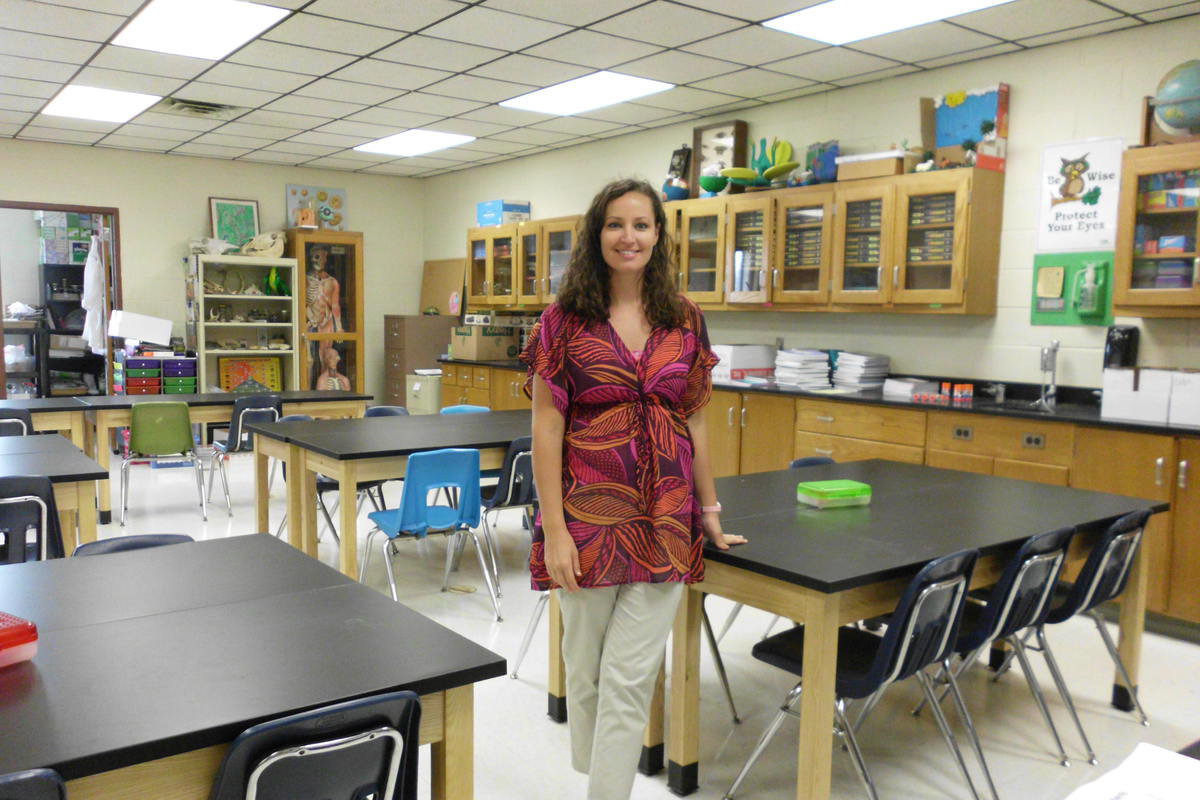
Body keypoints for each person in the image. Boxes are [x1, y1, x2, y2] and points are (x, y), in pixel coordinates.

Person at [521, 178, 746, 800]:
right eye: (617, 224)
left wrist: (710, 512)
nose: (630, 236)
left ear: (658, 236)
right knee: (586, 673)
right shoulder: (563, 322)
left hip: (665, 517)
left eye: (642, 225)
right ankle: (600, 772)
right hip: (587, 515)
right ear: (597, 235)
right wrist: (556, 532)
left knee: (627, 678)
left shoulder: (684, 317)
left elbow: (696, 416)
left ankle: (607, 791)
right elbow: (546, 430)